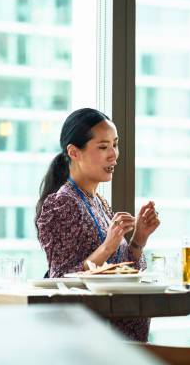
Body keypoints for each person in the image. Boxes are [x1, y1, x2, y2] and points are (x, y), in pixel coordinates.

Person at [35, 108, 160, 341]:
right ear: (74, 152)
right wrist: (108, 246)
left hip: (123, 342)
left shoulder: (98, 201)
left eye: (115, 144)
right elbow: (61, 279)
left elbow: (124, 271)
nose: (113, 154)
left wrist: (139, 239)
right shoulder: (62, 204)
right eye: (103, 147)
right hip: (94, 342)